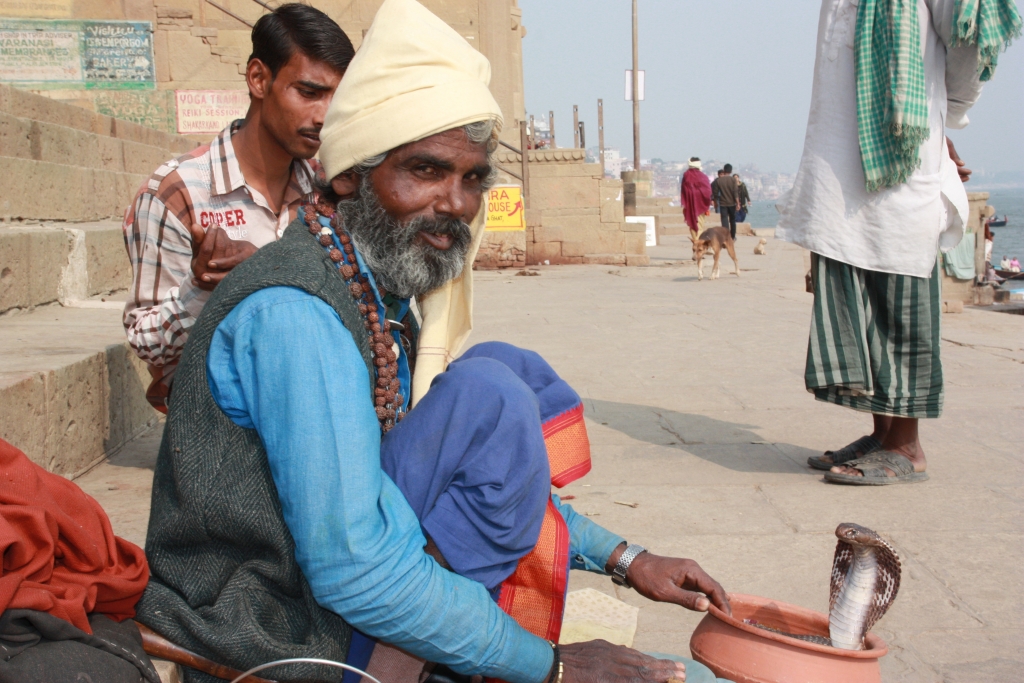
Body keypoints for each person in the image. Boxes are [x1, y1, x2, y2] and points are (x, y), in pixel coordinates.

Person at [136, 3, 732, 683]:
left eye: (472, 177)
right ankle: (415, 649)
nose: (456, 203)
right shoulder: (296, 317)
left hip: (328, 585)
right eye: (425, 171)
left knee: (500, 375)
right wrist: (554, 666)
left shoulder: (373, 288)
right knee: (490, 394)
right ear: (351, 175)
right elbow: (353, 566)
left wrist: (627, 558)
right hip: (275, 622)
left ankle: (434, 632)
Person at [777, 0, 1020, 484]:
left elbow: (969, 36)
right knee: (857, 289)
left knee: (897, 291)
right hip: (842, 159)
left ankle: (906, 446)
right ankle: (883, 432)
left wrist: (941, 118)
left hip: (901, 156)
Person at [121, 4, 353, 411]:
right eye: (309, 93)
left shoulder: (327, 189)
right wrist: (204, 289)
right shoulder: (178, 192)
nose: (324, 116)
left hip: (315, 393)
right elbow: (147, 345)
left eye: (337, 98)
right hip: (216, 416)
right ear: (259, 79)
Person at [681, 157, 712, 247]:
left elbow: (684, 191)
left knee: (692, 224)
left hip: (689, 205)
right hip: (701, 204)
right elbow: (708, 191)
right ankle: (699, 245)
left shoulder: (686, 175)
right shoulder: (703, 176)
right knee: (700, 225)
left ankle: (696, 244)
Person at [711, 164, 739, 239]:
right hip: (732, 203)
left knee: (724, 220)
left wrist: (715, 203)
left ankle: (726, 237)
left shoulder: (719, 181)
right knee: (732, 220)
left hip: (723, 203)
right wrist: (738, 203)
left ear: (724, 170)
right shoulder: (733, 180)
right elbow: (735, 192)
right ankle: (733, 236)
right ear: (731, 171)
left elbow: (715, 193)